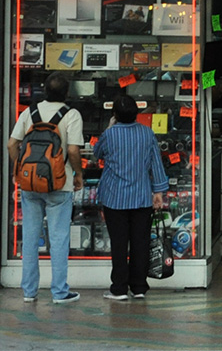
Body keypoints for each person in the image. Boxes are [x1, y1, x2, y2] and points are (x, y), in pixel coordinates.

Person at [7, 72, 84, 304]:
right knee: (59, 237)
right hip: (59, 183)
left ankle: (29, 292)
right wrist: (78, 173)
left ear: (44, 91)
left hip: (30, 182)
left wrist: (18, 170)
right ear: (66, 92)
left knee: (30, 236)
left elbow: (12, 144)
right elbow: (72, 151)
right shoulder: (71, 114)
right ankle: (59, 292)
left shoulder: (29, 112)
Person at [91, 94, 170, 300]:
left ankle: (118, 288)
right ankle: (139, 286)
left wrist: (109, 128)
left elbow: (97, 153)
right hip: (142, 196)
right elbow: (156, 165)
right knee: (140, 242)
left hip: (114, 197)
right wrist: (159, 192)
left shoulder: (110, 135)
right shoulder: (147, 133)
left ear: (114, 115)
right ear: (137, 114)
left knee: (118, 243)